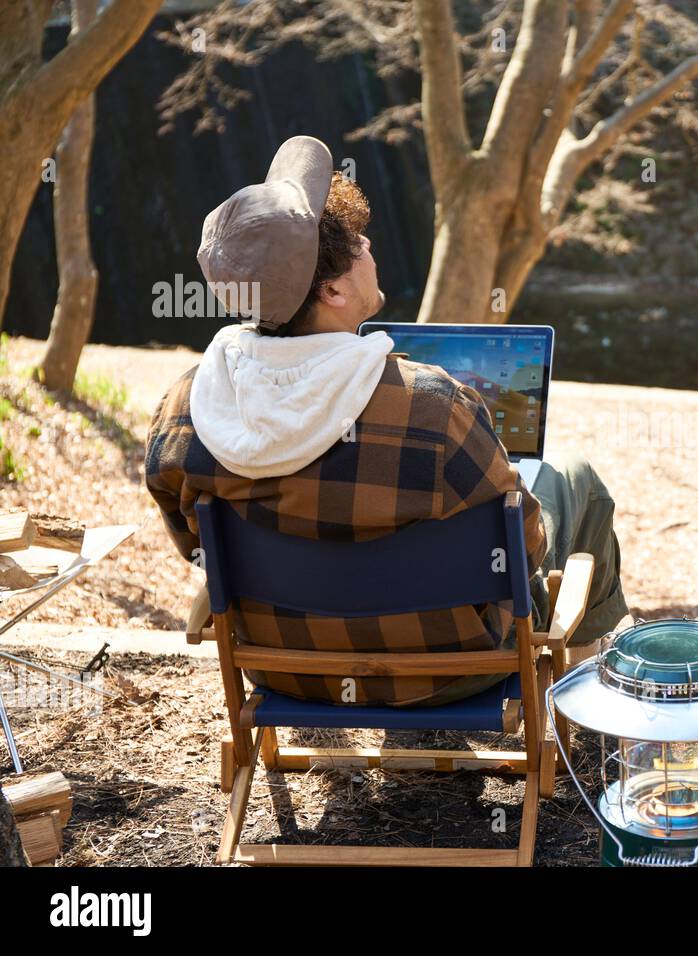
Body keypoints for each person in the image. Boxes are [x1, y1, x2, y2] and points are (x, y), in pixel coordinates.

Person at [145, 136, 628, 706]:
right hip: (453, 669)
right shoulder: (434, 407)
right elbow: (522, 553)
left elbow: (198, 548)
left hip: (285, 669)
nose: (369, 242)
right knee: (573, 478)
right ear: (333, 290)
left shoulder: (184, 413)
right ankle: (587, 708)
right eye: (355, 243)